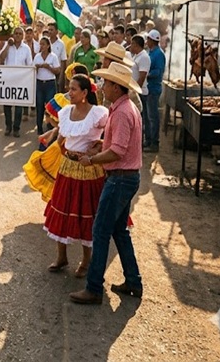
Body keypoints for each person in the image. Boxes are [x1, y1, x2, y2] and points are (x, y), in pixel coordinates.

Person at [70, 62, 144, 305]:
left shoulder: (121, 112)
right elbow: (117, 145)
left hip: (120, 177)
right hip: (126, 177)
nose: (101, 86)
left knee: (100, 231)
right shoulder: (122, 108)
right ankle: (133, 281)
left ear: (116, 86)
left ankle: (94, 288)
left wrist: (92, 159)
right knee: (119, 231)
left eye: (106, 83)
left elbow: (118, 152)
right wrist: (101, 145)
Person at [44, 74, 108, 280]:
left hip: (88, 170)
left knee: (85, 214)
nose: (69, 93)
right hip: (67, 168)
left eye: (73, 89)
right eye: (69, 88)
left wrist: (96, 147)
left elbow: (111, 135)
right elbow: (62, 137)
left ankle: (86, 261)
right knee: (61, 210)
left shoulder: (98, 114)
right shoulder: (65, 112)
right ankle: (61, 257)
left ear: (84, 93)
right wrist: (52, 139)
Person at [0, 27, 33, 137]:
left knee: (19, 106)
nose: (17, 35)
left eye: (19, 34)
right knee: (7, 106)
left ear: (23, 36)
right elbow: (1, 58)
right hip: (8, 81)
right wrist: (8, 45)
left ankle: (16, 128)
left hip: (21, 81)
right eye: (16, 33)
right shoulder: (8, 45)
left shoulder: (26, 49)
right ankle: (8, 126)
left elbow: (29, 65)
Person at [33, 36, 61, 135]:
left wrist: (48, 67)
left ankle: (50, 126)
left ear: (48, 45)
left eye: (43, 44)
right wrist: (37, 68)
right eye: (40, 44)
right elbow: (32, 71)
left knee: (50, 107)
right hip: (40, 83)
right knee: (39, 105)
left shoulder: (53, 56)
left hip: (50, 83)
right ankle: (39, 127)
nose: (42, 46)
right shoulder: (37, 56)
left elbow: (57, 70)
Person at [144, 29, 166, 152]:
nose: (147, 41)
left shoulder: (159, 54)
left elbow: (158, 72)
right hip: (148, 88)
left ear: (152, 40)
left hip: (153, 88)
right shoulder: (151, 52)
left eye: (148, 39)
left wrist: (146, 74)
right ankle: (148, 140)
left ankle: (154, 143)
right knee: (147, 116)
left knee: (153, 116)